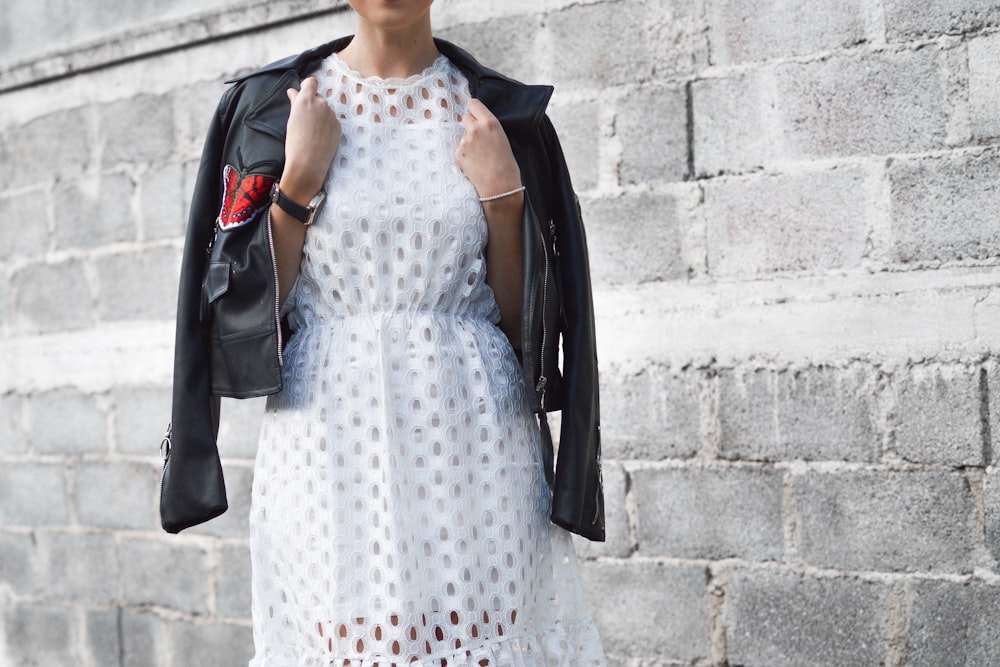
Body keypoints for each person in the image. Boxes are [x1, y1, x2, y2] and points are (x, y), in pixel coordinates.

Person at [160, 0, 607, 664]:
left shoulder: (502, 114)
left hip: (478, 442)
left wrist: (504, 198)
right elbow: (239, 315)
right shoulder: (270, 109)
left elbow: (525, 330)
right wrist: (298, 183)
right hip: (330, 447)